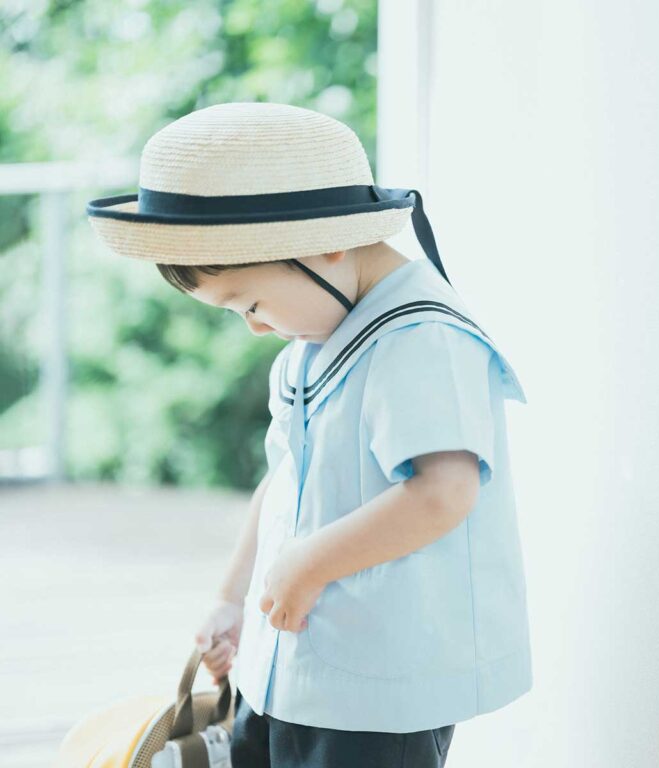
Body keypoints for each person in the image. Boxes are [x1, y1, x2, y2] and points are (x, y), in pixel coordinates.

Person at [85, 102, 532, 768]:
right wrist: (233, 597)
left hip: (378, 690)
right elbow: (285, 477)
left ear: (327, 243)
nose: (255, 328)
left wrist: (306, 564)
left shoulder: (419, 339)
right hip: (290, 670)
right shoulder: (312, 342)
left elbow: (445, 491)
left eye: (252, 305)